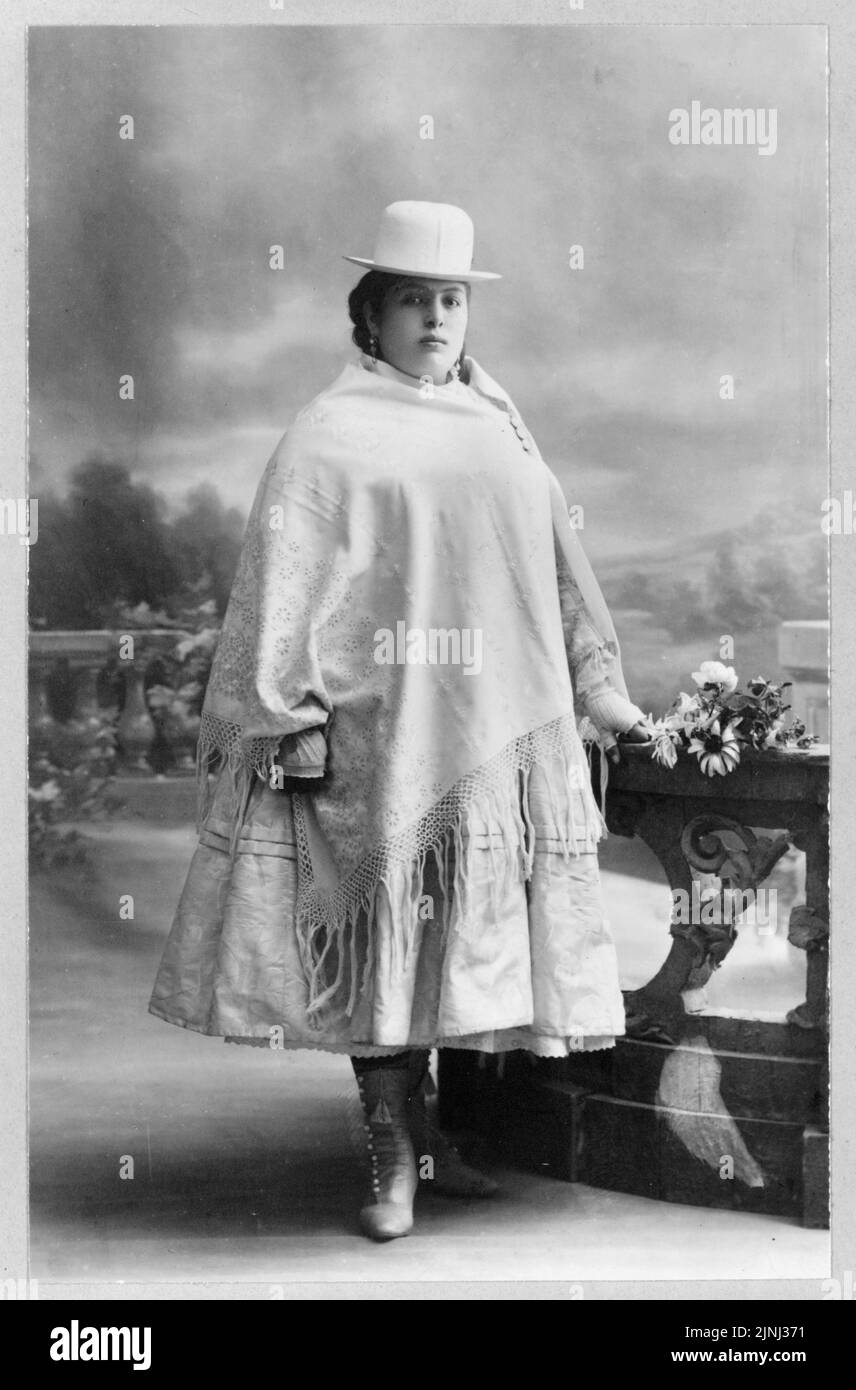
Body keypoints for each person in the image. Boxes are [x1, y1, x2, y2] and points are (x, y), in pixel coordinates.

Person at [149, 201, 652, 1242]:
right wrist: (289, 719)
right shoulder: (329, 436)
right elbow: (279, 582)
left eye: (451, 299)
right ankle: (389, 1154)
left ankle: (442, 1141)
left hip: (498, 722)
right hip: (384, 722)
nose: (435, 317)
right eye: (412, 299)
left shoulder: (499, 423)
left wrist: (595, 684)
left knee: (469, 936)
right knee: (385, 928)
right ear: (368, 317)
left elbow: (554, 563)